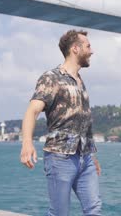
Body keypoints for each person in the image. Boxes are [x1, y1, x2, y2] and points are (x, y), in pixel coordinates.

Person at [20, 29, 102, 216]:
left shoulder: (80, 81)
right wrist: (27, 143)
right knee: (59, 213)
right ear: (75, 48)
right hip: (60, 157)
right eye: (88, 46)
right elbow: (32, 111)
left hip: (85, 157)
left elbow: (83, 121)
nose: (92, 51)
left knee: (94, 209)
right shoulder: (52, 78)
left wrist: (92, 155)